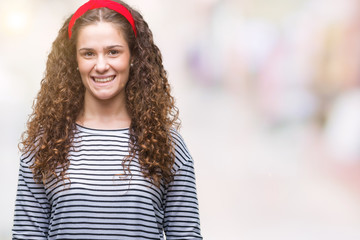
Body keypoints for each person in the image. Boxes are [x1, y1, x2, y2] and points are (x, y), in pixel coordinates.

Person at [12, 0, 202, 239]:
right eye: (89, 53)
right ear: (75, 61)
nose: (101, 65)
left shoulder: (166, 145)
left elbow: (186, 235)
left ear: (134, 56)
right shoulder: (44, 145)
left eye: (113, 52)